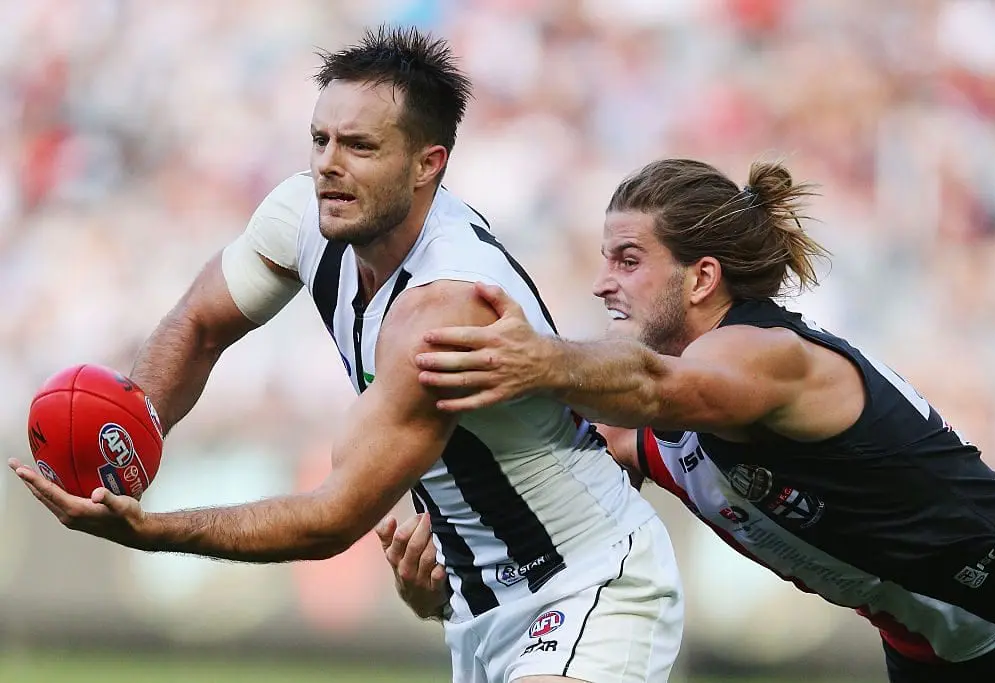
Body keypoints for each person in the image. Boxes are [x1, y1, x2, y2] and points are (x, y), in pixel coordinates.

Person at [7, 27, 684, 683]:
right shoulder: (305, 215)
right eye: (321, 139)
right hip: (479, 606)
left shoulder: (446, 306)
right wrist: (134, 427)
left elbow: (332, 517)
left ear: (429, 165)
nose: (330, 163)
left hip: (590, 582)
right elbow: (201, 323)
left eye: (359, 146)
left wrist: (154, 531)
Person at [396, 157, 995, 682]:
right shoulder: (639, 427)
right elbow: (552, 542)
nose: (600, 284)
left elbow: (652, 383)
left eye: (628, 260)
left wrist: (540, 361)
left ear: (701, 278)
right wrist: (446, 584)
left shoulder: (769, 356)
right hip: (935, 649)